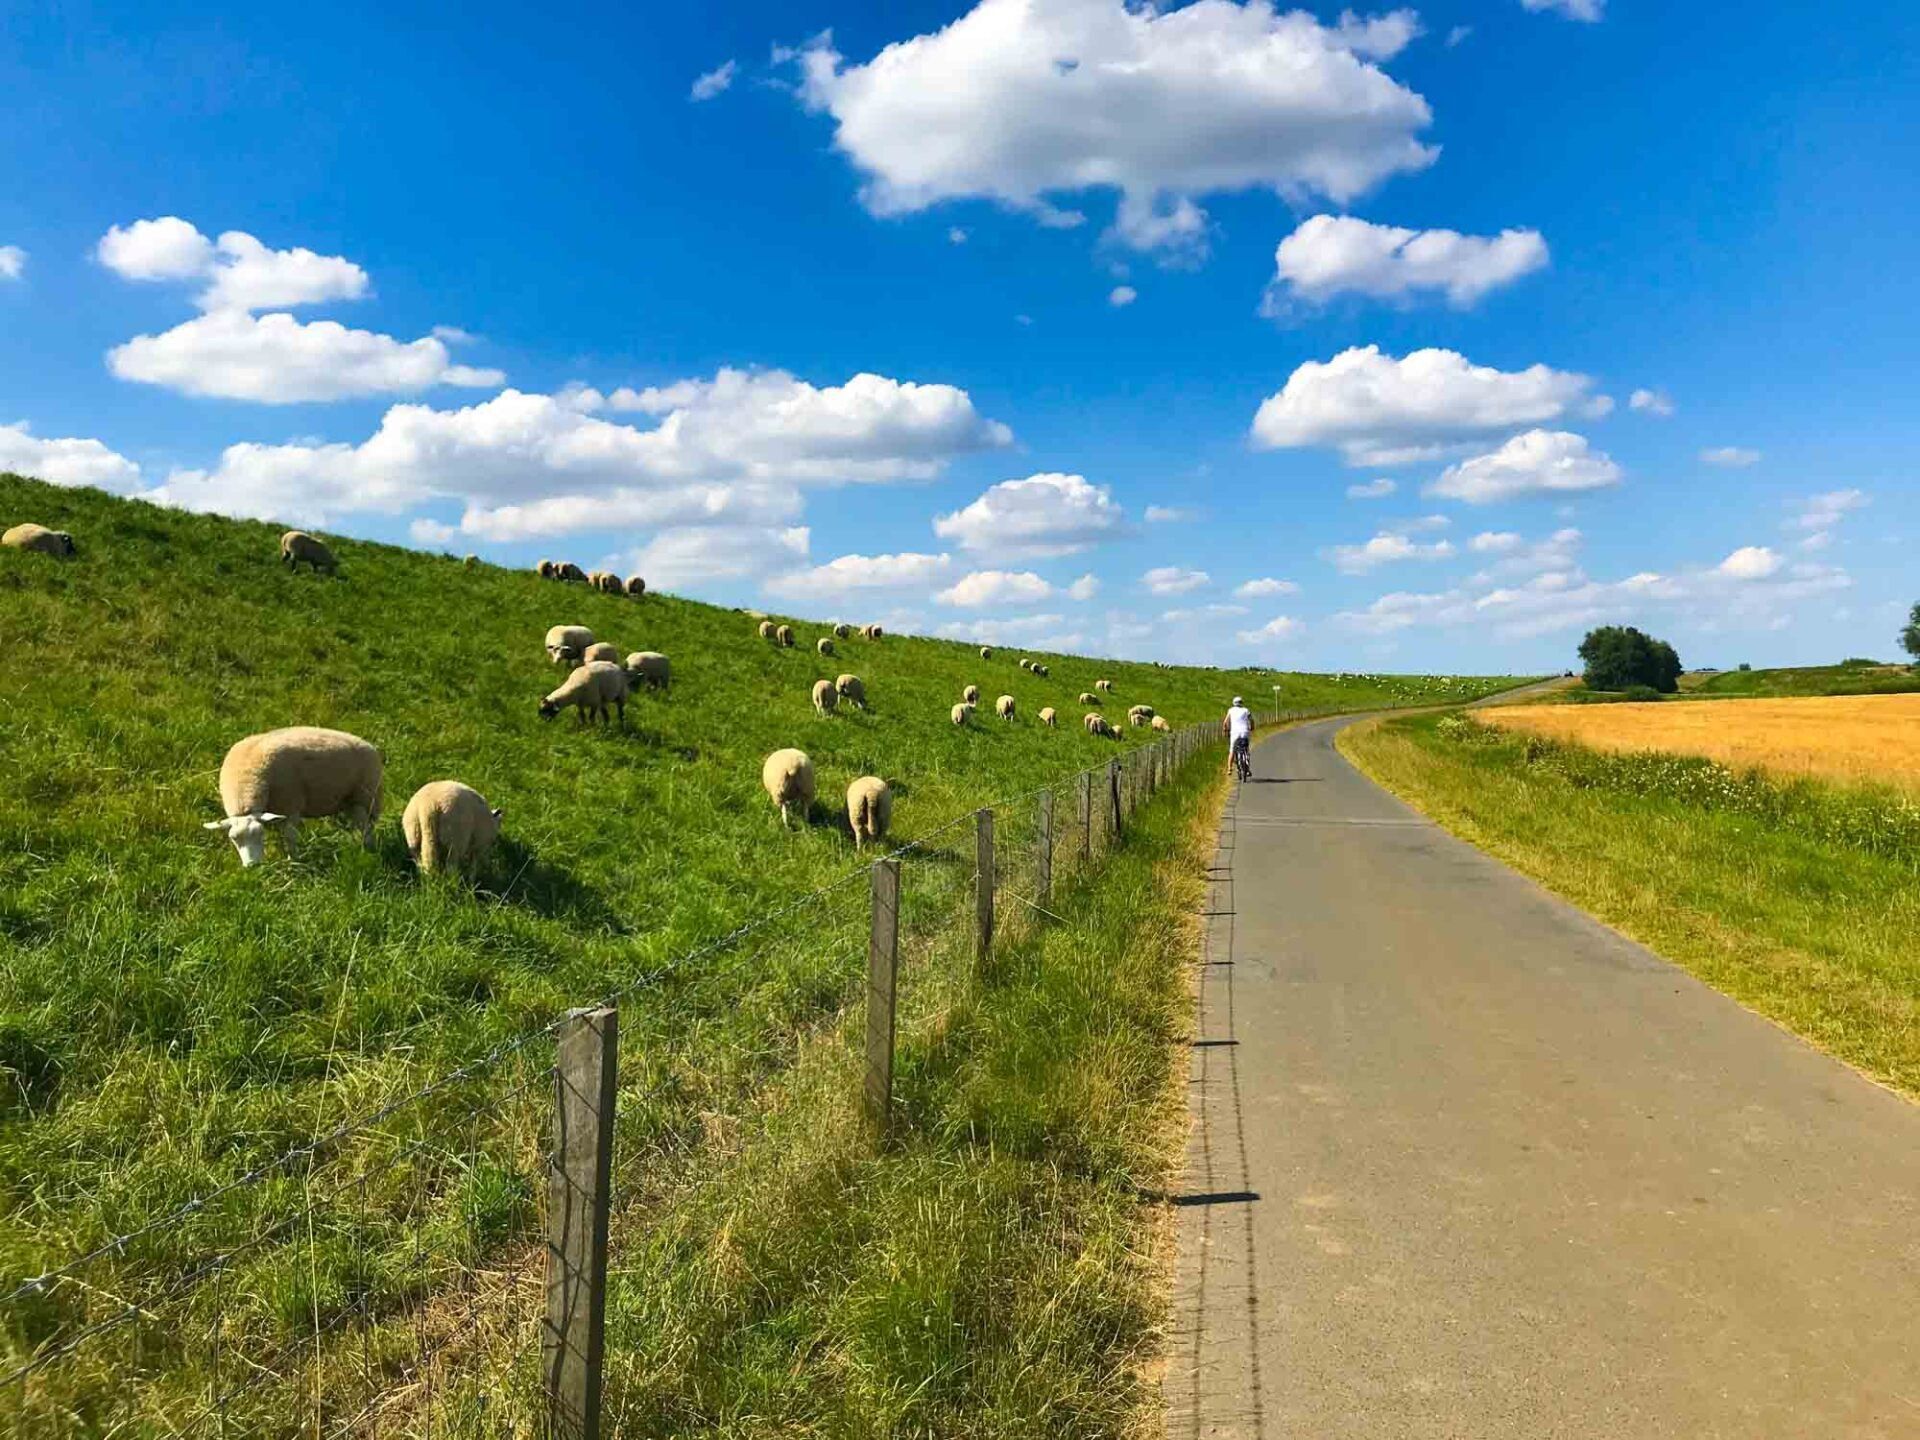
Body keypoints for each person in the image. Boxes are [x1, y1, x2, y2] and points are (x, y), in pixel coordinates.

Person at [1223, 695, 1253, 775]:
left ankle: (1229, 769)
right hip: (1244, 732)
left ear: (1233, 703)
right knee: (1246, 749)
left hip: (1234, 733)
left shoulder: (1231, 710)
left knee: (1232, 750)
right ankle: (1247, 769)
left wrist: (1225, 729)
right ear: (1241, 703)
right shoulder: (1246, 710)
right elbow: (1251, 720)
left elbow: (1225, 722)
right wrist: (1252, 727)